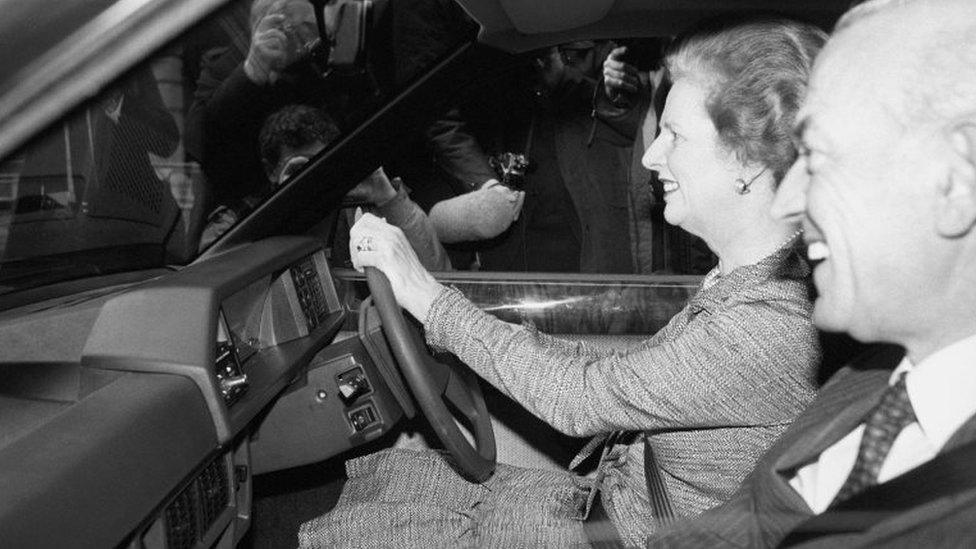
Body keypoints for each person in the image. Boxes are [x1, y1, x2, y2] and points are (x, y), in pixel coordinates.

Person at [298, 18, 827, 548]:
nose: (650, 155)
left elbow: (579, 395)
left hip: (613, 535)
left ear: (750, 163)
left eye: (675, 135)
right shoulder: (745, 284)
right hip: (602, 509)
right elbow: (607, 376)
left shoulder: (765, 329)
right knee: (399, 483)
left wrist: (421, 291)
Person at [647, 0, 976, 546]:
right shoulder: (867, 381)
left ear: (956, 185)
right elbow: (735, 529)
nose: (787, 203)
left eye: (818, 158)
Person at [200, 104, 451, 272]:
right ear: (271, 171)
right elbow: (201, 272)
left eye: (318, 168)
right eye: (298, 171)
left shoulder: (359, 208)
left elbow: (438, 272)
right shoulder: (242, 220)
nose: (310, 181)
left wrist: (387, 197)